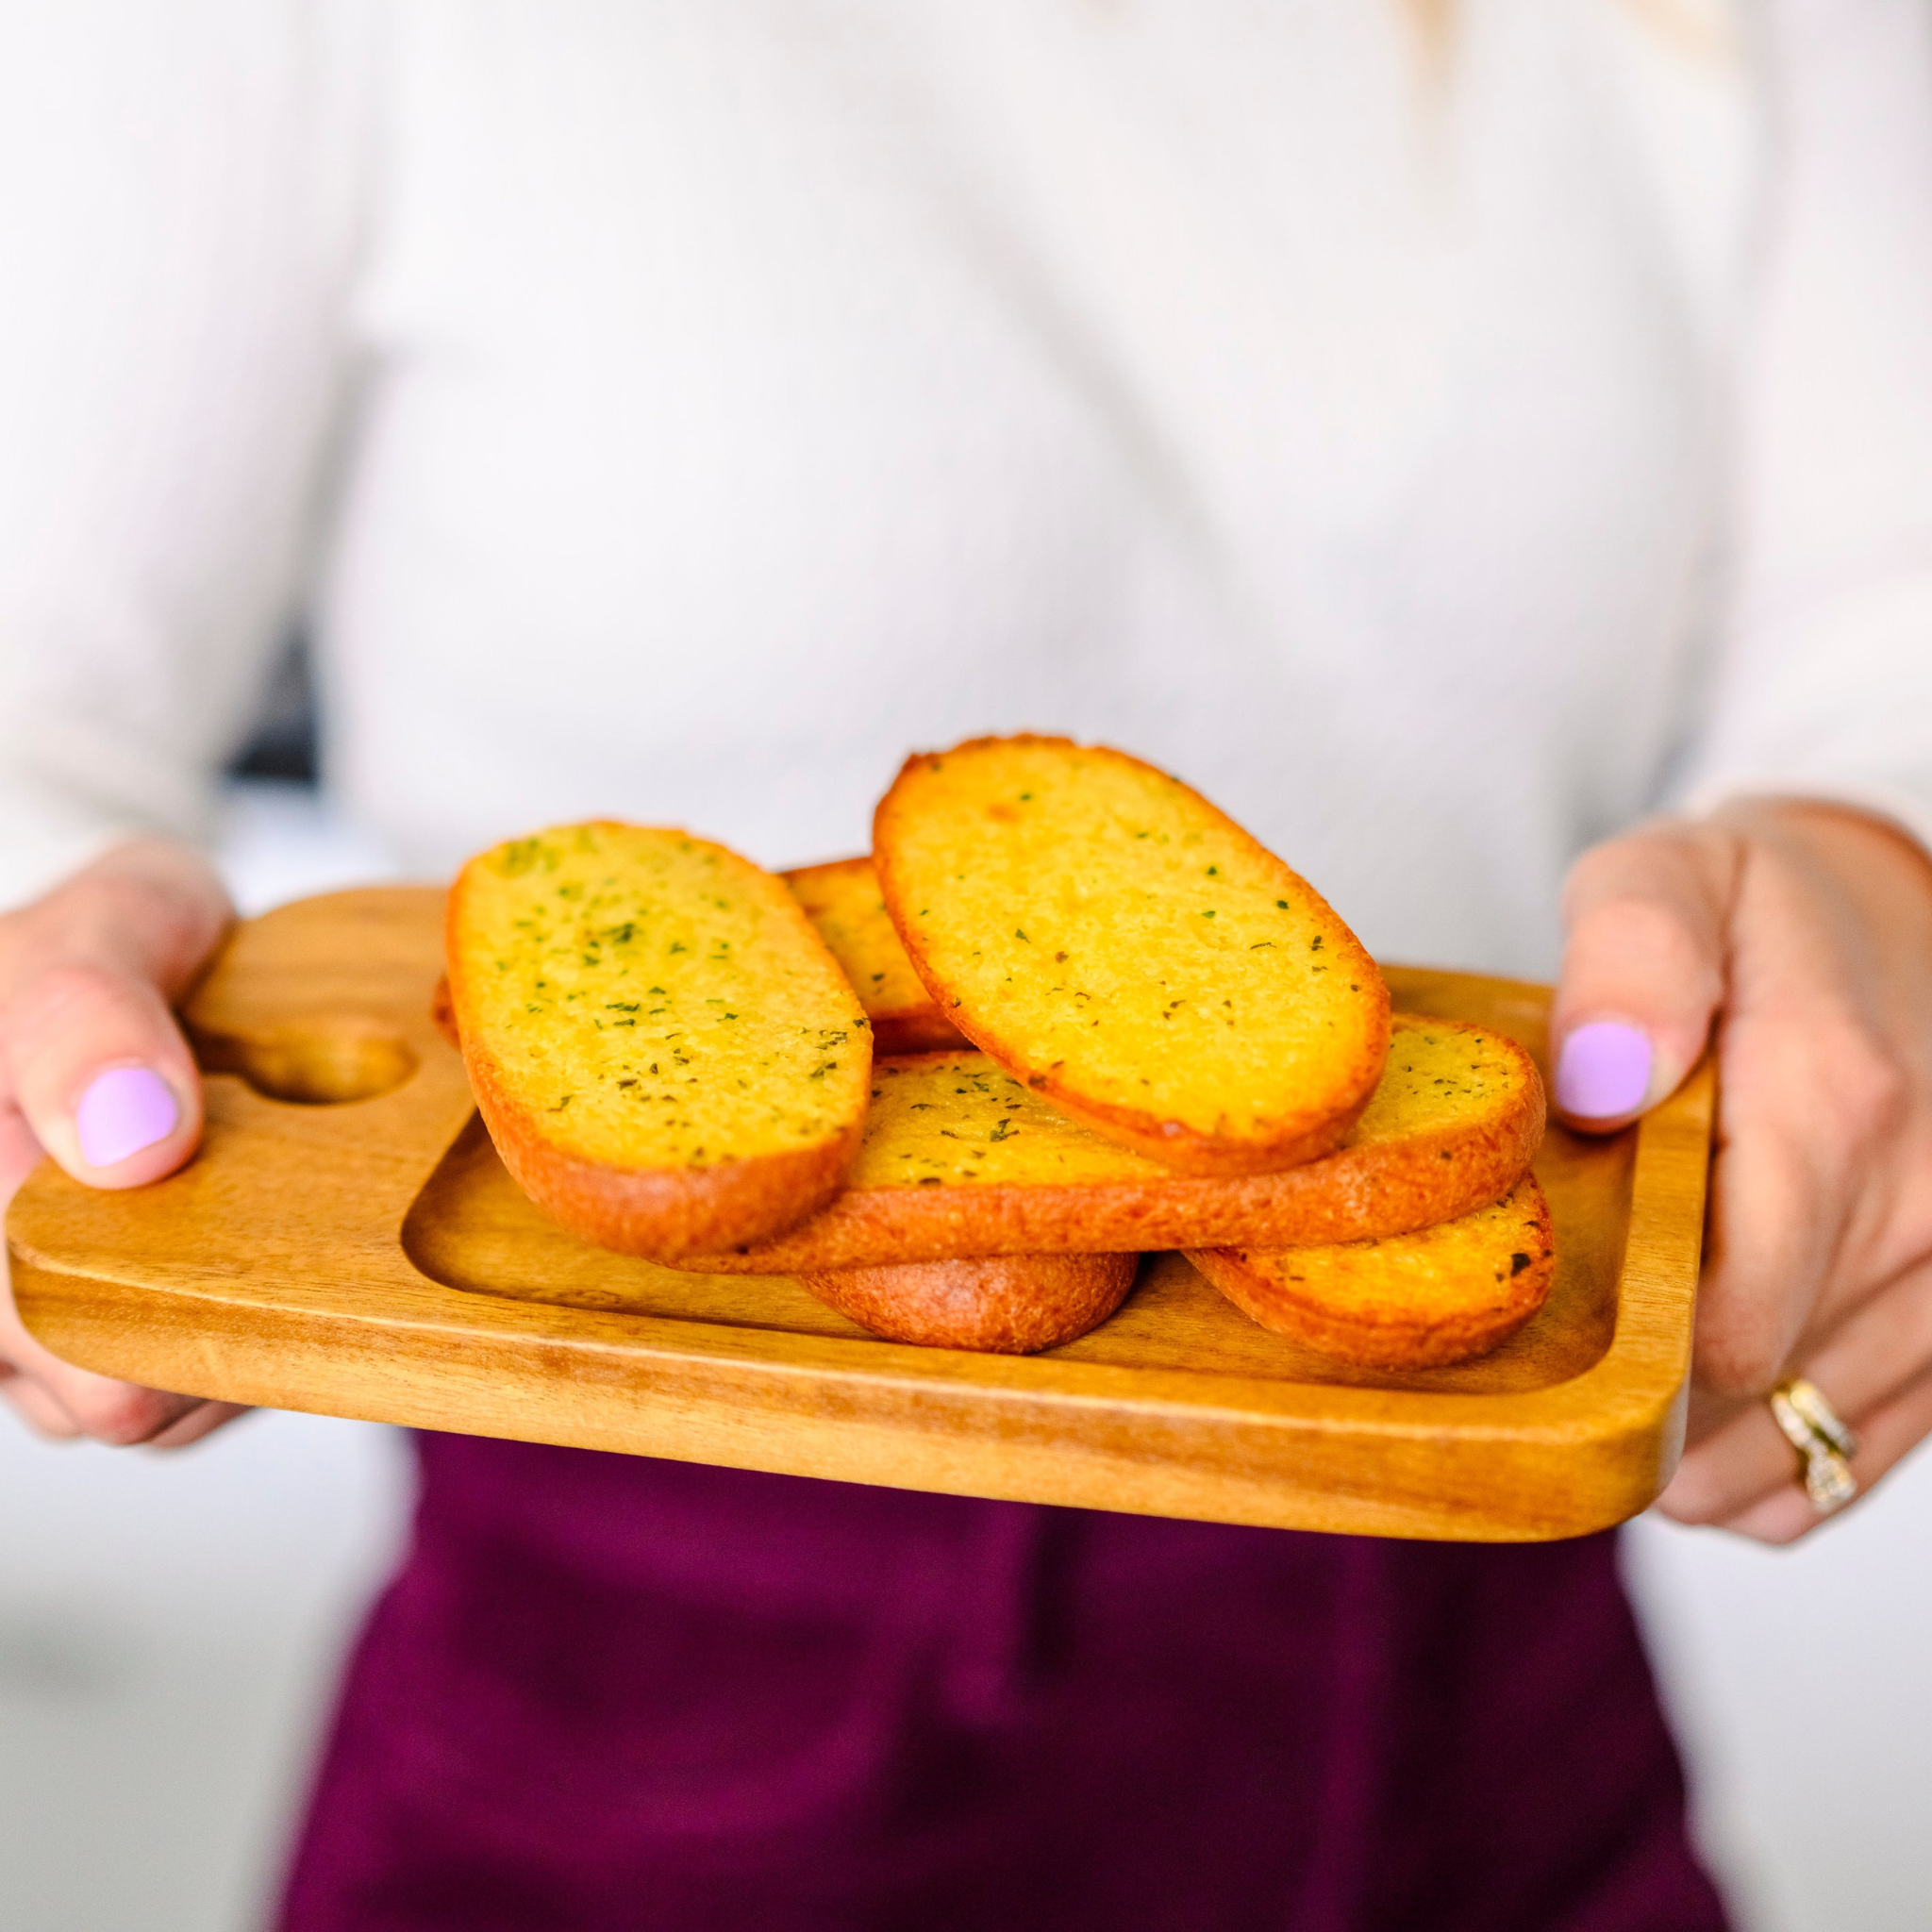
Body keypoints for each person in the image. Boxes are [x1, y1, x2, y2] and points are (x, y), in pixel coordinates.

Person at [4, 1, 1931, 1924]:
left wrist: (1875, 866)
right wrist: (52, 992)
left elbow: (1884, 633)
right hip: (655, 1677)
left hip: (1492, 1626)